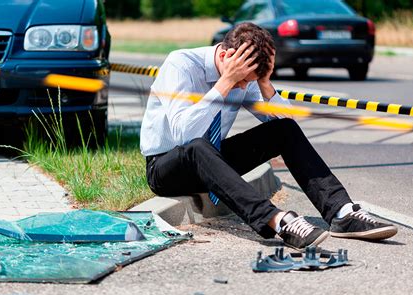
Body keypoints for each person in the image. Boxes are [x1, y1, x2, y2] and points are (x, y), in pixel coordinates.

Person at [140, 22, 397, 250]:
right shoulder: (181, 64)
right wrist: (226, 82)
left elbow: (287, 122)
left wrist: (264, 84)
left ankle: (341, 213)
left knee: (283, 129)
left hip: (213, 160)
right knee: (197, 146)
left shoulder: (248, 75)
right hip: (167, 167)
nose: (243, 86)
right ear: (228, 56)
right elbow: (184, 135)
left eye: (248, 81)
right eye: (243, 80)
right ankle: (277, 221)